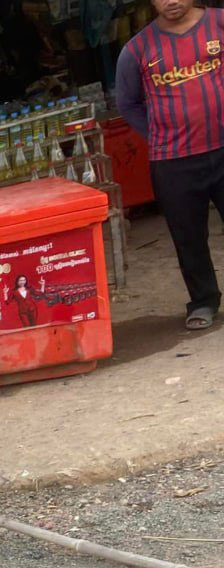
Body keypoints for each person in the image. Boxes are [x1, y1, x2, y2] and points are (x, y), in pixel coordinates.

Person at [116, 0, 224, 330]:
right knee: (188, 237)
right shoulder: (137, 50)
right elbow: (127, 103)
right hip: (173, 161)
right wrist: (160, 133)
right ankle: (203, 301)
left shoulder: (220, 24)